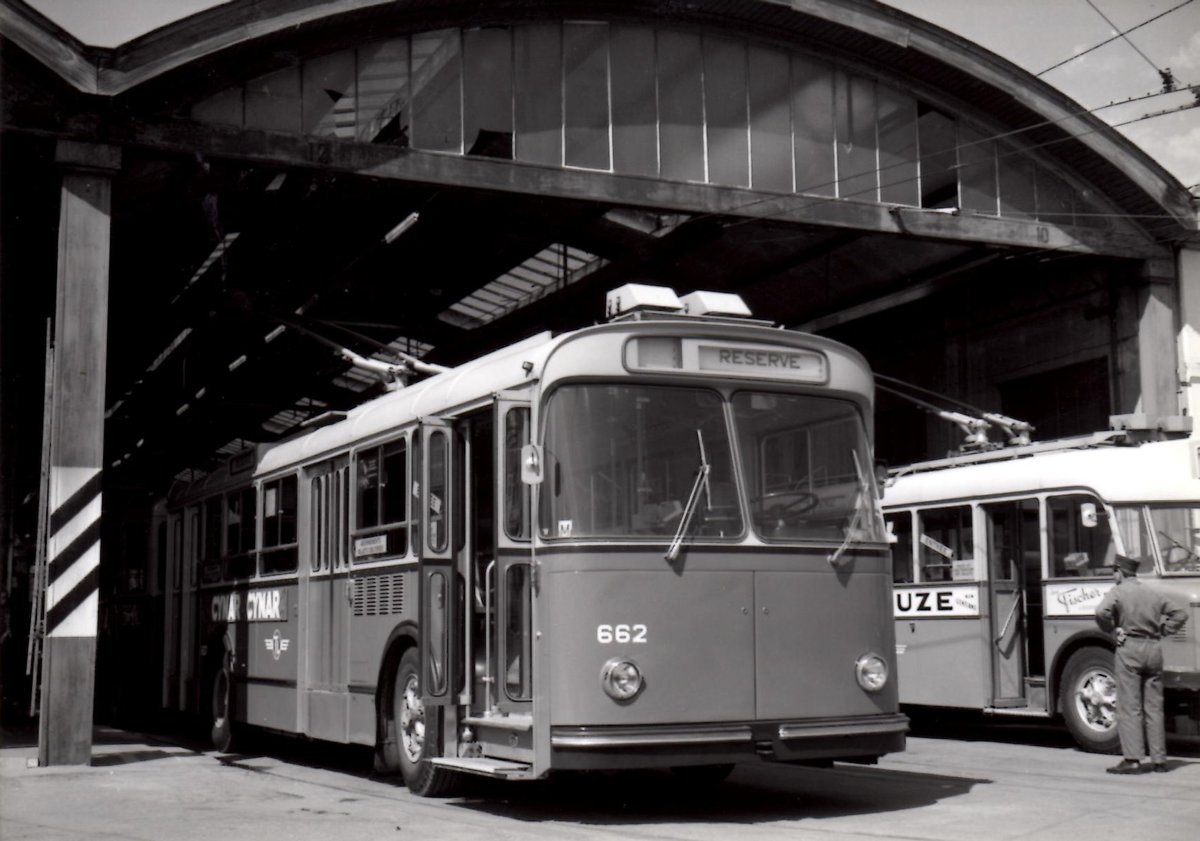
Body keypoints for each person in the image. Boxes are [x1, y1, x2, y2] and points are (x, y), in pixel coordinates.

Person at [1094, 553, 1187, 774]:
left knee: (1130, 706)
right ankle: (1159, 761)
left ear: (1119, 571)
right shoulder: (1152, 592)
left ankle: (1133, 759)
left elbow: (1100, 612)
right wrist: (1163, 630)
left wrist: (1111, 630)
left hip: (1130, 650)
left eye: (1113, 572)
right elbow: (1180, 614)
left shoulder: (1118, 591)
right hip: (1154, 649)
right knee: (1154, 707)